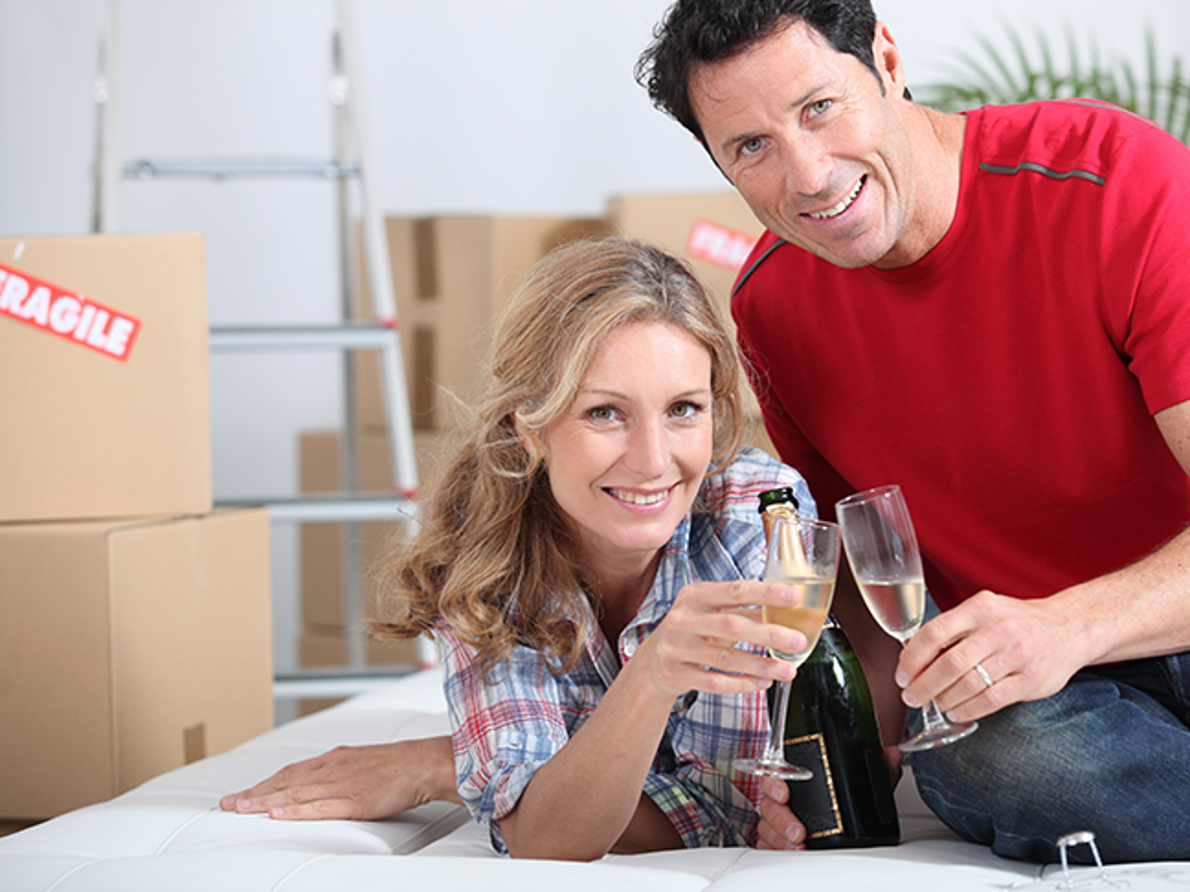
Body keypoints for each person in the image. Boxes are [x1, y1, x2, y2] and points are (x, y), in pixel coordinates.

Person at [635, 0, 1190, 865]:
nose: (810, 175)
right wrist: (852, 757)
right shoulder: (773, 310)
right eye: (752, 147)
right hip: (1050, 698)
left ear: (886, 59)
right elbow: (860, 566)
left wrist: (1068, 628)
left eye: (820, 107)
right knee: (982, 759)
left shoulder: (1115, 180)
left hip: (1131, 624)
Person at [225, 236, 825, 858]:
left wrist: (452, 767)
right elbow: (544, 836)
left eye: (682, 409)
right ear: (528, 427)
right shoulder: (480, 550)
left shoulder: (757, 513)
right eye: (604, 413)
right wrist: (651, 677)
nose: (653, 461)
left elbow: (724, 808)